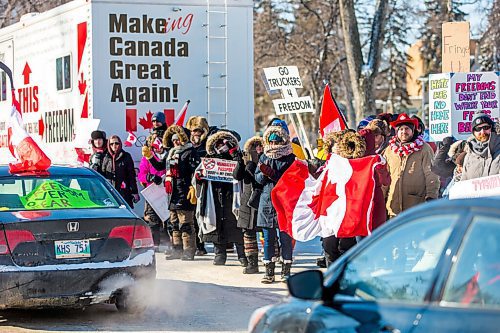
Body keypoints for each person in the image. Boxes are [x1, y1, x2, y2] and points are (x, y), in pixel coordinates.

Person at [143, 125, 200, 260]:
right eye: (173, 140)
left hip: (185, 192)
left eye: (177, 139)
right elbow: (159, 166)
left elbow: (197, 171)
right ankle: (177, 249)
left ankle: (189, 250)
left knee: (185, 224)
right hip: (172, 193)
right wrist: (150, 156)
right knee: (174, 224)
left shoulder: (190, 152)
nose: (175, 142)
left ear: (183, 139)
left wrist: (194, 187)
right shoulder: (171, 153)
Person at [196, 129, 245, 265]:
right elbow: (199, 174)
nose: (220, 147)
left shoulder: (237, 157)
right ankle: (220, 254)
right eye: (217, 144)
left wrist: (234, 154)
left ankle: (242, 255)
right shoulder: (209, 158)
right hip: (216, 196)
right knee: (218, 225)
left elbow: (241, 173)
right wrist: (199, 177)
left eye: (223, 144)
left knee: (236, 224)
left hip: (233, 195)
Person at [255, 124, 295, 283]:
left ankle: (286, 271)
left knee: (286, 238)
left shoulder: (290, 158)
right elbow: (258, 180)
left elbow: (293, 180)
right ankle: (269, 272)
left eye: (277, 141)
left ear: (283, 141)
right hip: (267, 202)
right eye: (271, 142)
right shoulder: (264, 157)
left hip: (285, 202)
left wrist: (273, 174)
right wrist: (264, 174)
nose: (274, 145)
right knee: (268, 238)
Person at [383, 113, 439, 218]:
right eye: (401, 129)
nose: (404, 132)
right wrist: (380, 197)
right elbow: (384, 177)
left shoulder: (424, 149)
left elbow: (431, 175)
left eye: (407, 129)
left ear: (413, 131)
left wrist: (431, 197)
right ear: (396, 132)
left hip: (416, 208)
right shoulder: (389, 150)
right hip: (393, 208)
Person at [233, 136, 264, 274]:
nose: (257, 149)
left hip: (262, 199)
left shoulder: (266, 160)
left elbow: (262, 179)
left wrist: (253, 166)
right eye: (254, 147)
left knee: (267, 232)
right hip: (247, 200)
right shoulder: (246, 161)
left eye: (259, 146)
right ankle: (252, 263)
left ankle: (272, 261)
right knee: (248, 233)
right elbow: (237, 176)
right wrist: (240, 162)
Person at [185, 116, 210, 255]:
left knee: (201, 216)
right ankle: (195, 246)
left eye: (198, 131)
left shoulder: (207, 146)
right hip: (189, 186)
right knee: (191, 218)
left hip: (203, 186)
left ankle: (202, 245)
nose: (196, 134)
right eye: (193, 131)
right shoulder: (187, 147)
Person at [138, 133, 167, 249]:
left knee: (168, 219)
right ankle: (155, 244)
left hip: (167, 191)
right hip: (153, 192)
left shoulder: (168, 155)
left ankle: (169, 244)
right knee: (153, 219)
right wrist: (150, 177)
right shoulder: (148, 157)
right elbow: (141, 175)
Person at [102, 135, 139, 207]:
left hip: (124, 192)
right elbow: (103, 174)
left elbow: (131, 175)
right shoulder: (106, 157)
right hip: (110, 192)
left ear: (120, 144)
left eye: (116, 143)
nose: (114, 146)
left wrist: (134, 192)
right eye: (111, 144)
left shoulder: (126, 156)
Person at [461, 111, 499, 181]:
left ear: (492, 128)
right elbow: (463, 182)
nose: (482, 132)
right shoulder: (469, 156)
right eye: (478, 129)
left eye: (486, 127)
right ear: (473, 132)